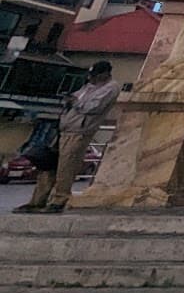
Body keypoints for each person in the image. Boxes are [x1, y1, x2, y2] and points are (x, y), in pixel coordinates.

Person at [13, 60, 120, 214]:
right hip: (65, 129)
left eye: (94, 76)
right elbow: (77, 98)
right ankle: (38, 200)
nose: (91, 79)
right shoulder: (88, 86)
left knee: (66, 167)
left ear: (105, 74)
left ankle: (59, 200)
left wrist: (75, 102)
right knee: (47, 165)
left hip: (79, 132)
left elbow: (93, 107)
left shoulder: (110, 88)